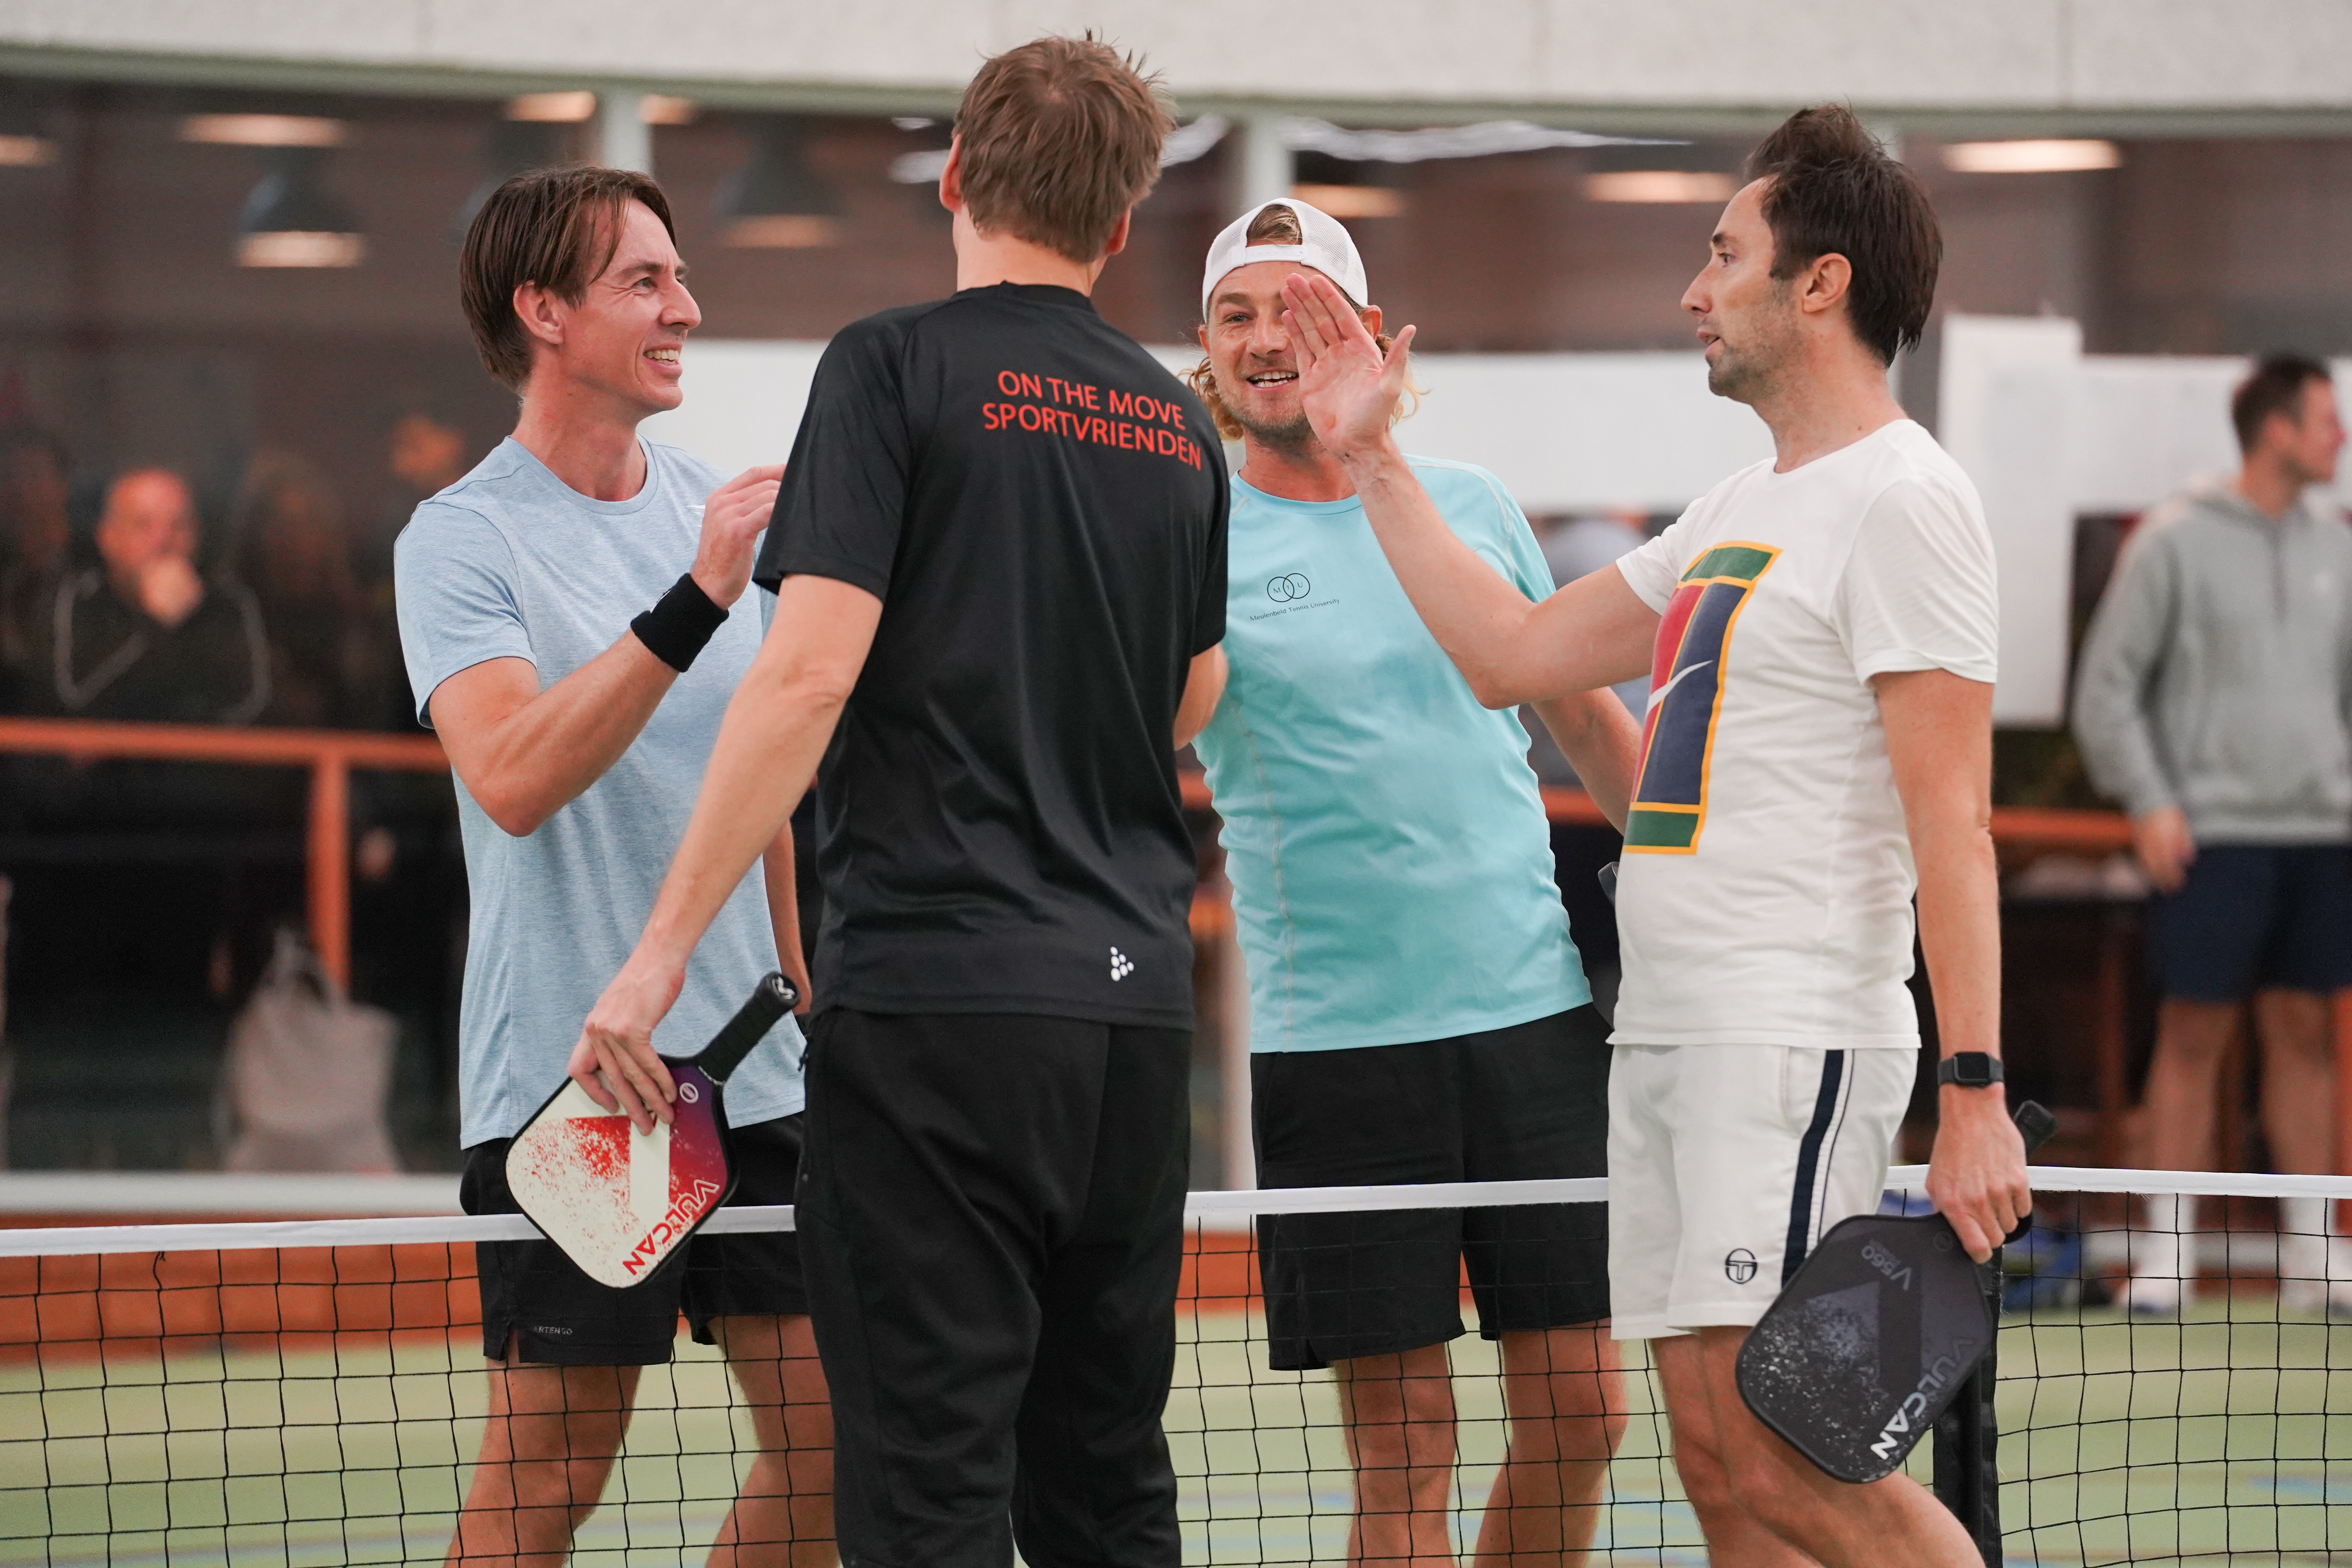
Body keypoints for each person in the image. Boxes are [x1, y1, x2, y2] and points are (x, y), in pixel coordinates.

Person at [1279, 105, 2028, 1567]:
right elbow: (1511, 655)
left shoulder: (1907, 500)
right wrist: (1370, 460)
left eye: (1724, 255)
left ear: (1818, 285)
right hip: (1674, 1040)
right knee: (1713, 1461)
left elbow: (1955, 820)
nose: (1694, 290)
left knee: (1784, 1452)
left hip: (1787, 1033)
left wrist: (1974, 1089)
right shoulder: (1736, 508)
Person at [572, 37, 1227, 1568]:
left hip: (938, 1011)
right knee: (1106, 1487)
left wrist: (660, 954)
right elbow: (1190, 699)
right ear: (1119, 221)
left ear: (953, 181)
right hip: (1131, 1026)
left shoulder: (889, 367)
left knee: (927, 1494)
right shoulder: (1176, 421)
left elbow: (803, 677)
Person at [1186, 196, 1637, 1566]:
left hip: (1531, 1025)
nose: (1267, 340)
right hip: (1338, 1052)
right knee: (1405, 1452)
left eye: (1299, 310)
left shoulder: (1473, 504)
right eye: (1235, 316)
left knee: (1586, 1412)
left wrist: (1719, 881)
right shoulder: (1190, 536)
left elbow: (1587, 721)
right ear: (1206, 353)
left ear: (1369, 336)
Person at [392, 164, 830, 1568]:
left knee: (844, 1450)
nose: (683, 307)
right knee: (549, 1482)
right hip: (581, 1091)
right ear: (544, 312)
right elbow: (513, 774)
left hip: (760, 1078)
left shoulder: (717, 505)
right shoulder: (460, 538)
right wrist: (694, 599)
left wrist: (797, 978)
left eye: (678, 276)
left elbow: (761, 769)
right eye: (645, 280)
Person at [2072, 353, 2352, 1316]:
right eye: (2326, 418)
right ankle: (2165, 1256)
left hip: (2321, 836)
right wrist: (2151, 800)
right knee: (2191, 1034)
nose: (2340, 436)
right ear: (2277, 428)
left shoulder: (2338, 547)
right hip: (2209, 837)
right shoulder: (2173, 541)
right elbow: (2107, 690)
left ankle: (2317, 1257)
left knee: (2307, 1034)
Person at [52, 467, 268, 724]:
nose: (163, 540)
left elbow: (247, 708)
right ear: (108, 538)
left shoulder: (227, 603)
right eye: (142, 525)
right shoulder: (81, 599)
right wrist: (155, 624)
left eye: (179, 526)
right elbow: (74, 704)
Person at [233, 449, 397, 729]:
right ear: (258, 535)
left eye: (308, 522)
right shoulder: (237, 615)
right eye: (282, 524)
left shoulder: (361, 622)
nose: (296, 539)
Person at [0, 424, 72, 714]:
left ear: (62, 485)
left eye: (32, 476)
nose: (20, 490)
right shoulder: (8, 574)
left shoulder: (95, 573)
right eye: (8, 477)